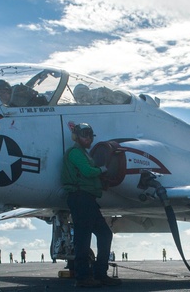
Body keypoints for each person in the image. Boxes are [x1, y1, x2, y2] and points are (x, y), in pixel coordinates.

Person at [61, 123, 122, 287]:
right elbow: (88, 171)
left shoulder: (84, 154)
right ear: (76, 136)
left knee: (104, 234)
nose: (88, 138)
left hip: (88, 199)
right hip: (80, 198)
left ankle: (100, 274)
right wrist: (102, 170)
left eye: (90, 135)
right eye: (84, 134)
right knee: (83, 238)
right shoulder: (75, 153)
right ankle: (82, 278)